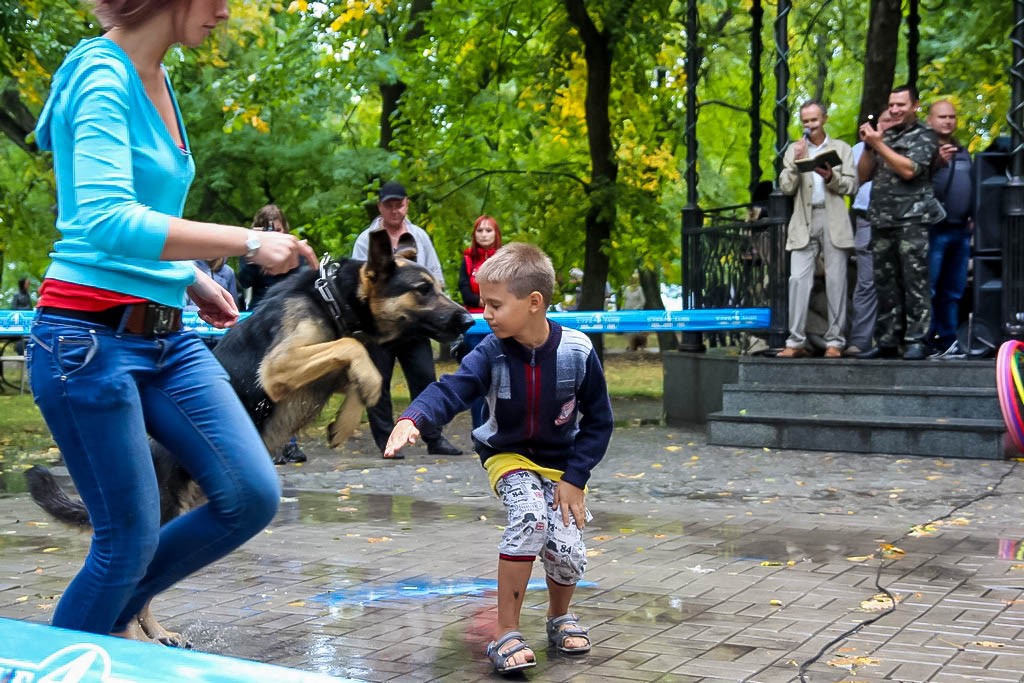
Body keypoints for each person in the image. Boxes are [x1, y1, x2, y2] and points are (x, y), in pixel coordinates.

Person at [28, 0, 317, 641]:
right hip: (85, 341)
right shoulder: (101, 76)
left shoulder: (157, 74)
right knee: (126, 541)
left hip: (166, 338)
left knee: (249, 494)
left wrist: (188, 278)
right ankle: (77, 653)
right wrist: (244, 243)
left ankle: (108, 626)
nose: (224, 13)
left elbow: (133, 211)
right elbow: (102, 219)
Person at [383, 242, 613, 674]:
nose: (484, 313)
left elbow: (599, 422)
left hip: (561, 465)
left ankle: (559, 618)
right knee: (530, 517)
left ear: (533, 303)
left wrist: (575, 478)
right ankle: (505, 632)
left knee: (567, 551)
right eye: (483, 303)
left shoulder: (577, 351)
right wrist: (415, 417)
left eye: (494, 304)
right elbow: (452, 388)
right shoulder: (490, 351)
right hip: (507, 456)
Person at [352, 181, 462, 456]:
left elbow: (435, 276)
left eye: (398, 204)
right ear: (380, 207)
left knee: (425, 378)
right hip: (379, 326)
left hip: (415, 324)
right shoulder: (367, 239)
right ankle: (386, 442)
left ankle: (434, 438)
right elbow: (358, 283)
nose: (394, 210)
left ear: (406, 204)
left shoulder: (419, 236)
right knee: (378, 383)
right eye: (388, 205)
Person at [858, 84, 942, 360]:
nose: (894, 110)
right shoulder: (886, 135)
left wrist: (878, 144)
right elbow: (862, 176)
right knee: (885, 283)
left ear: (915, 106)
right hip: (882, 219)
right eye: (891, 104)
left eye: (901, 105)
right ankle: (888, 339)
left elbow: (909, 170)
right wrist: (870, 148)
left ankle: (917, 339)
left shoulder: (926, 135)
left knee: (914, 281)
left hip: (912, 219)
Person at [776, 100, 857, 358]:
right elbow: (786, 188)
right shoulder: (795, 149)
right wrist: (795, 162)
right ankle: (795, 342)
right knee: (798, 280)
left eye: (814, 120)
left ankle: (835, 342)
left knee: (836, 282)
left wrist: (830, 177)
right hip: (803, 220)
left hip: (833, 219)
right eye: (805, 121)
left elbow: (851, 187)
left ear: (824, 118)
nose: (810, 125)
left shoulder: (841, 149)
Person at [239, 203, 309, 463]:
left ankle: (289, 442)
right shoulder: (252, 250)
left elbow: (302, 277)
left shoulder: (294, 248)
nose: (273, 232)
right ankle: (267, 443)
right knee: (262, 383)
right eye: (268, 228)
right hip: (261, 319)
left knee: (291, 382)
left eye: (276, 228)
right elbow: (243, 281)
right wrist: (254, 252)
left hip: (290, 318)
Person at [846, 109, 898, 356]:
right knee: (866, 283)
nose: (887, 124)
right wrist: (870, 146)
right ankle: (860, 340)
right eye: (883, 120)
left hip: (901, 222)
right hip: (867, 219)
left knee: (900, 282)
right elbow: (856, 180)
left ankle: (898, 338)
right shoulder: (858, 148)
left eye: (892, 120)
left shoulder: (908, 145)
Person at [926, 100, 974, 358]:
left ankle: (948, 339)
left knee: (954, 289)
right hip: (934, 230)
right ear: (930, 120)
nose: (948, 121)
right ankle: (927, 338)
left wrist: (974, 215)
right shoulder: (924, 149)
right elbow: (915, 180)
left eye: (952, 117)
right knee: (930, 288)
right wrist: (936, 162)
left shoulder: (963, 150)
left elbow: (974, 183)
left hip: (960, 230)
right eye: (942, 116)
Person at [457, 214, 502, 429]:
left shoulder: (505, 259)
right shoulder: (466, 260)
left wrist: (489, 299)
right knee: (478, 378)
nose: (484, 234)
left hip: (501, 324)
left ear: (496, 234)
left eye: (488, 230)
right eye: (480, 230)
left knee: (502, 379)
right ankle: (479, 429)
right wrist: (489, 299)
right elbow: (466, 295)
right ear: (474, 235)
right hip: (475, 326)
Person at [238, 204, 305, 311]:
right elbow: (245, 282)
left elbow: (299, 281)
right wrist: (254, 256)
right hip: (260, 306)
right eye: (269, 230)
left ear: (284, 229)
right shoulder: (252, 249)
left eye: (278, 230)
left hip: (288, 304)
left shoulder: (294, 248)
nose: (274, 234)